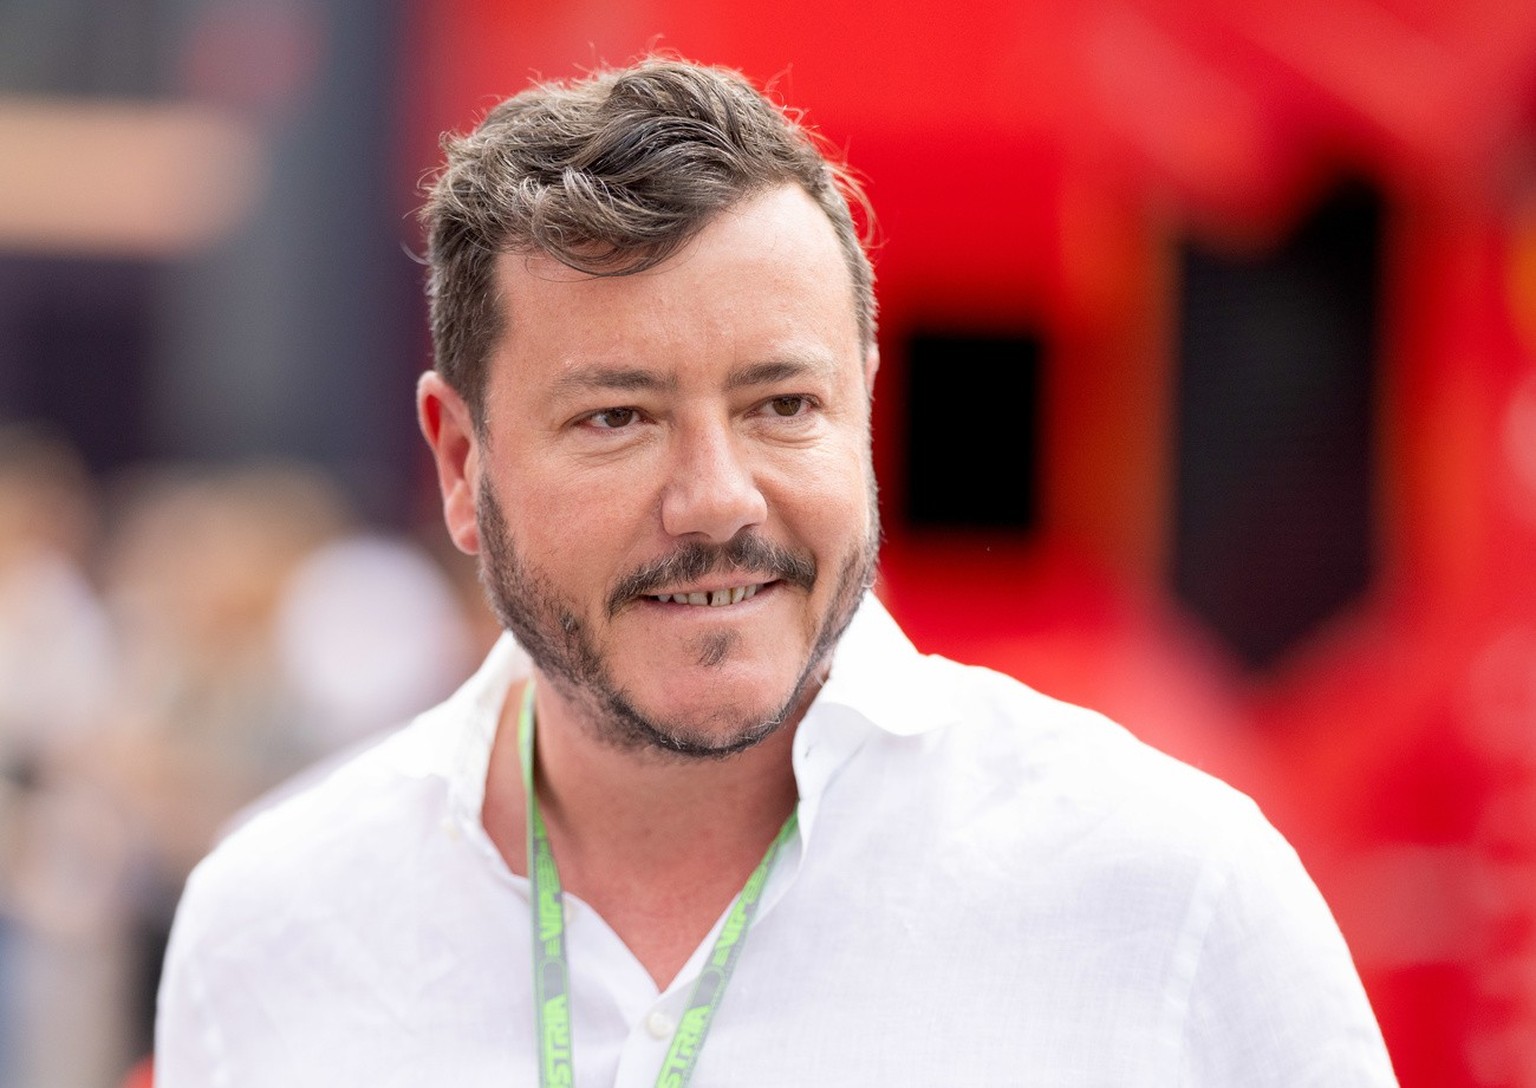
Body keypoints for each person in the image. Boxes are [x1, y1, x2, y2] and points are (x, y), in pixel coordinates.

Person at [155, 57, 1397, 1086]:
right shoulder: (269, 930)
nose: (717, 498)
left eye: (783, 404)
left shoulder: (1171, 898)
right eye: (618, 417)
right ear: (460, 461)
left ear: (863, 408)